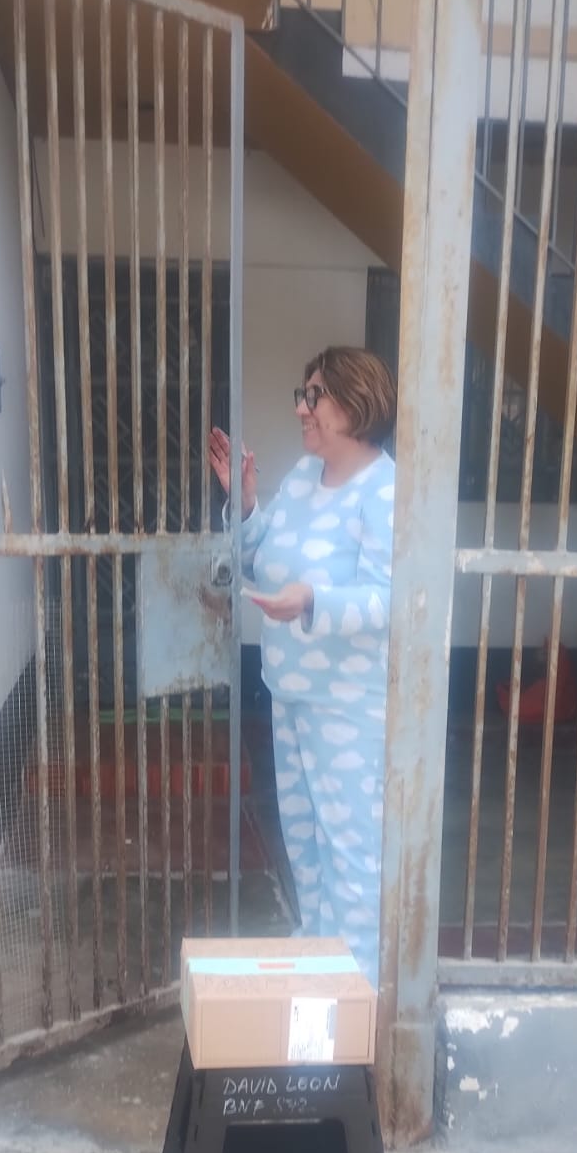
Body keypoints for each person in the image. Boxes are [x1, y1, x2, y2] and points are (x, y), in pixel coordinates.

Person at [209, 346, 397, 988]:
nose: (301, 408)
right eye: (303, 393)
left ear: (356, 403)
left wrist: (313, 601)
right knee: (306, 839)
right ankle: (318, 956)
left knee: (352, 849)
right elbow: (261, 556)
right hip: (289, 693)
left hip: (348, 706)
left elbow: (390, 599)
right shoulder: (301, 477)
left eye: (314, 395)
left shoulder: (385, 492)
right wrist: (245, 505)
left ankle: (359, 983)